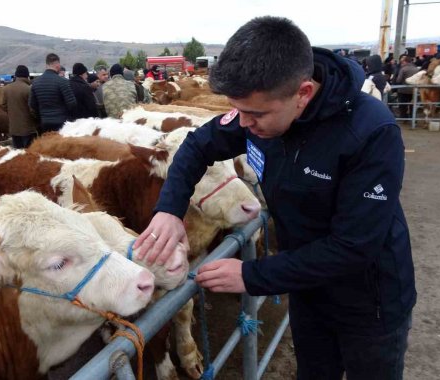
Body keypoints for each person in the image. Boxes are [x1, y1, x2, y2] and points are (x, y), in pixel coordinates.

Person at [134, 16, 415, 380]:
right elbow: (196, 144)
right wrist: (169, 209)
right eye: (240, 111)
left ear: (303, 93)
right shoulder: (263, 111)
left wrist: (253, 274)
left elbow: (353, 246)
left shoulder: (371, 132)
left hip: (369, 301)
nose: (244, 124)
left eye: (255, 114)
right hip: (307, 288)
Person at [29, 53, 77, 133]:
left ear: (46, 64)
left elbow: (32, 104)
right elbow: (72, 103)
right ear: (58, 65)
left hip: (45, 122)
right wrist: (70, 118)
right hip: (62, 122)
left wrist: (41, 115)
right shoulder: (63, 82)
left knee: (49, 145)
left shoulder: (36, 83)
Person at [3, 65, 39, 148]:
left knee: (18, 154)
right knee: (29, 154)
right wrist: (37, 121)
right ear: (27, 76)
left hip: (14, 129)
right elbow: (32, 110)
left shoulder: (7, 89)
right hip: (28, 129)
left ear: (16, 75)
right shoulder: (28, 89)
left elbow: (4, 106)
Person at [394, 55, 419, 120]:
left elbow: (398, 80)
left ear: (405, 62)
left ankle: (403, 118)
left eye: (402, 62)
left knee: (403, 105)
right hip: (414, 90)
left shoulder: (403, 69)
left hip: (403, 90)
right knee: (412, 105)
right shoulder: (416, 69)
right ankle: (412, 118)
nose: (402, 63)